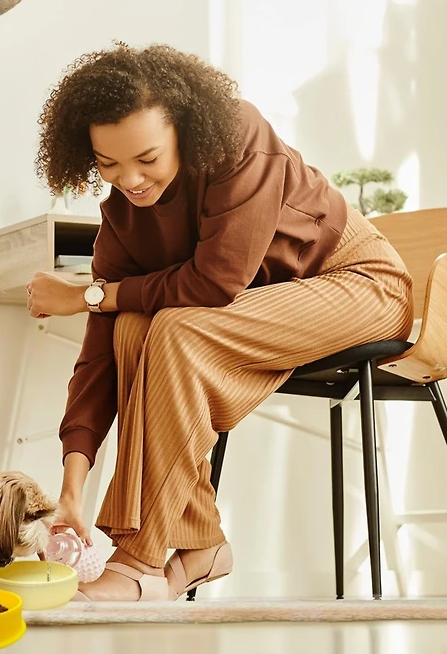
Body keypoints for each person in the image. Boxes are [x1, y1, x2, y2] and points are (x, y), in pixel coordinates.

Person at [25, 43, 414, 602]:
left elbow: (214, 284)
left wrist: (88, 294)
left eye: (148, 158)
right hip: (276, 305)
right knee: (135, 328)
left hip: (359, 284)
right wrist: (70, 487)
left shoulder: (238, 141)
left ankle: (140, 562)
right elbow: (100, 358)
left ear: (185, 130)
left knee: (178, 329)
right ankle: (201, 543)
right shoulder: (122, 216)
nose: (130, 179)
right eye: (108, 165)